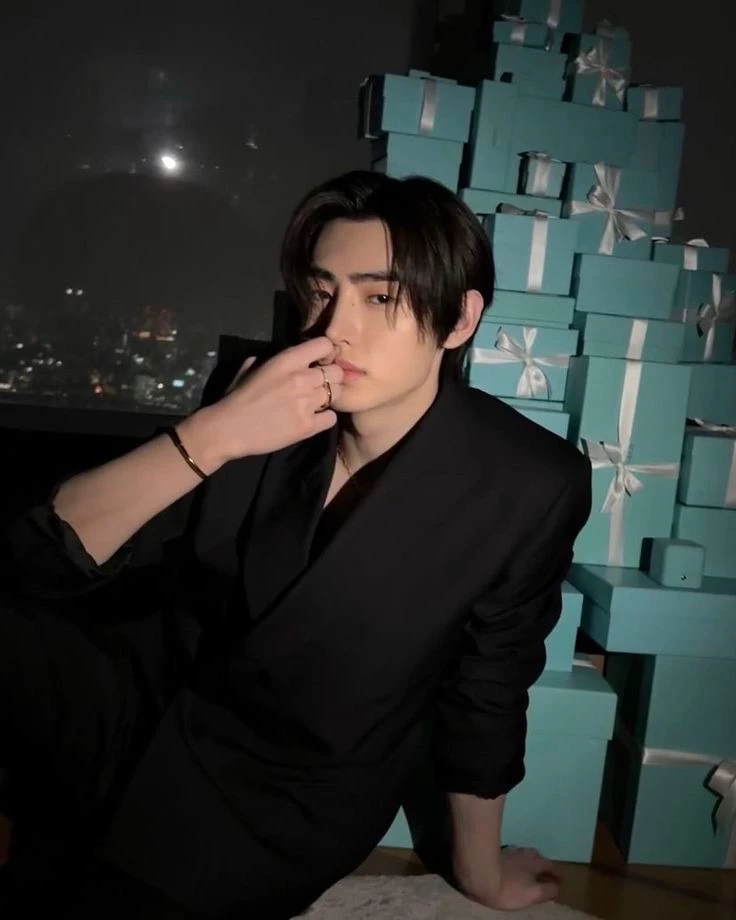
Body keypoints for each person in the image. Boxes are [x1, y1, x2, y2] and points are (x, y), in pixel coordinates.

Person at [0, 170, 591, 918]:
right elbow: (41, 557)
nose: (334, 329)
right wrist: (216, 434)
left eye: (380, 297)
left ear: (460, 318)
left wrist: (480, 872)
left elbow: (489, 689)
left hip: (286, 787)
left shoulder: (526, 481)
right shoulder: (260, 393)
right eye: (320, 291)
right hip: (145, 707)